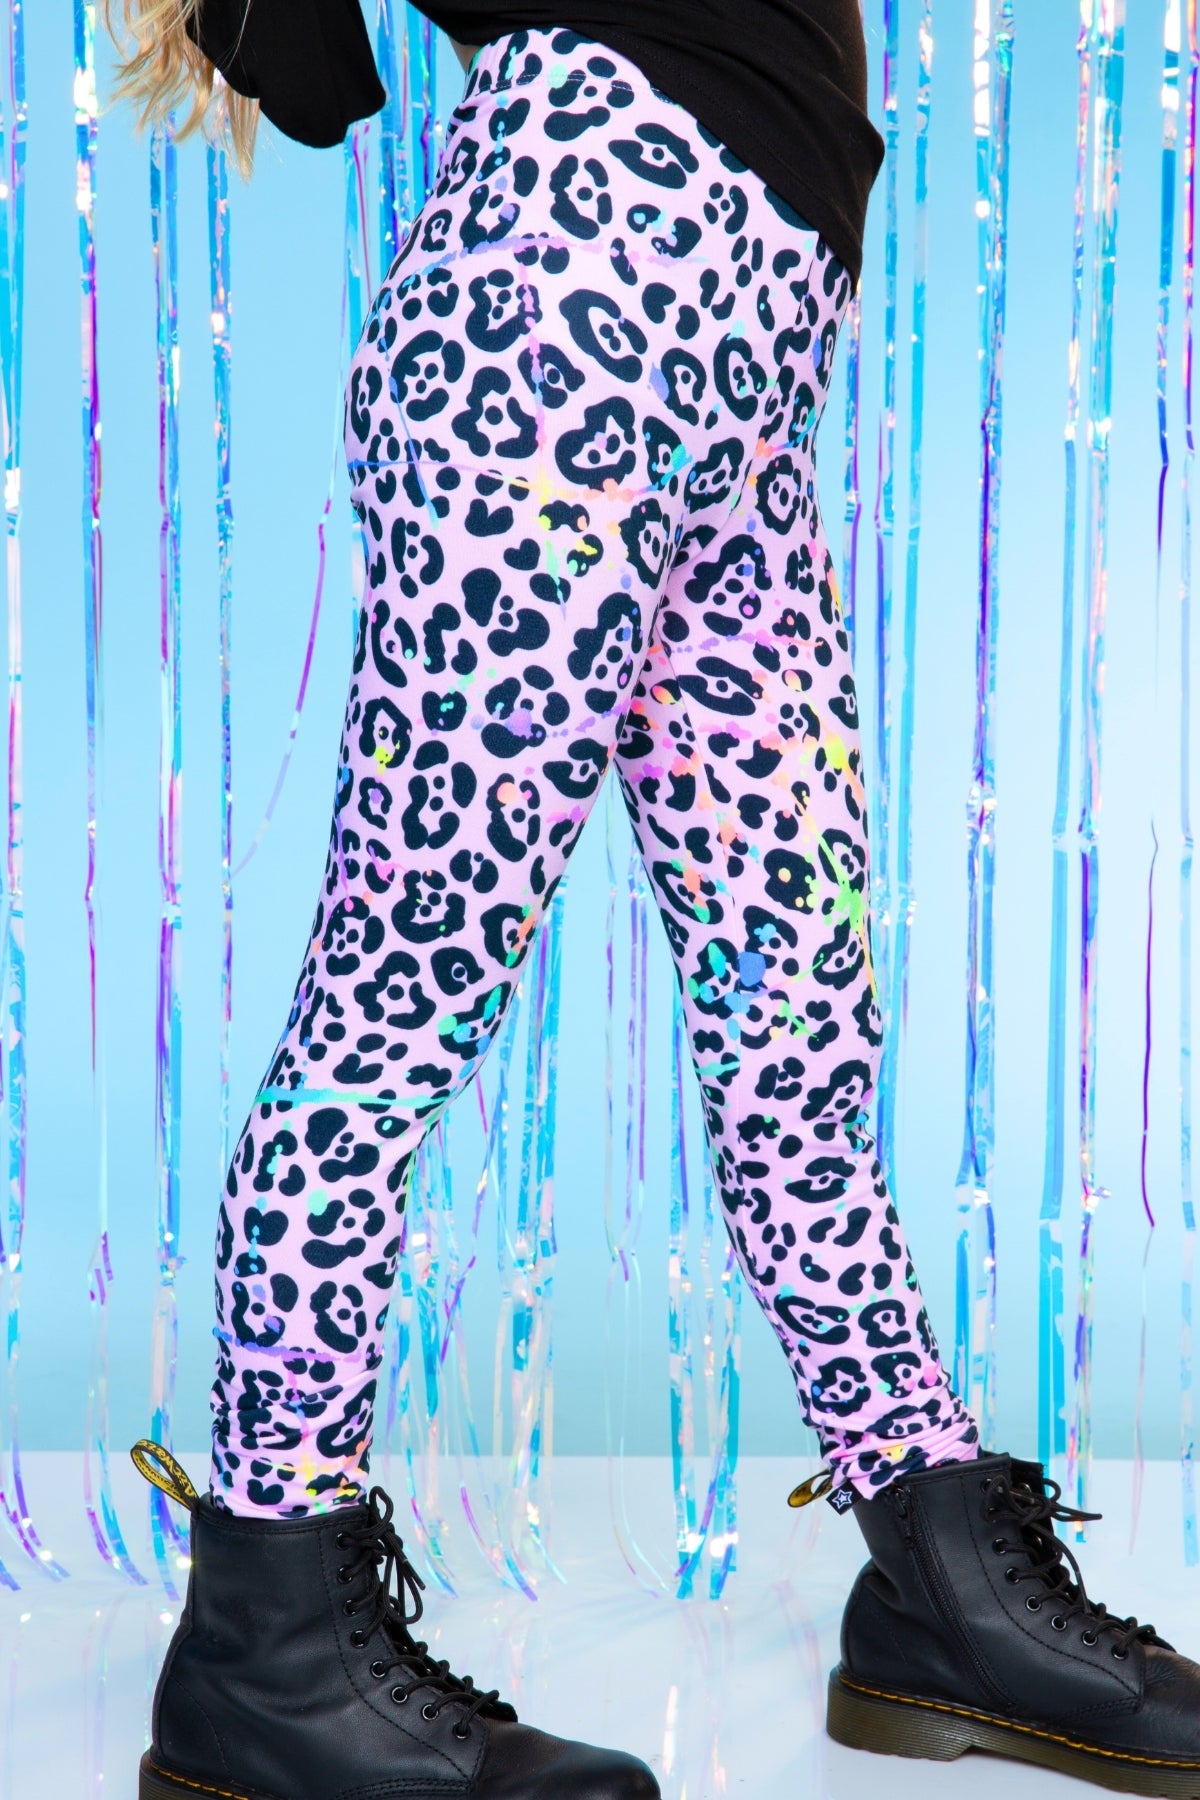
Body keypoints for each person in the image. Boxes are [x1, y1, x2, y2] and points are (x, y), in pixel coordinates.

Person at [107, 4, 1200, 1798]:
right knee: (397, 1002)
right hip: (559, 311)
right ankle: (265, 1643)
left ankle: (936, 1582)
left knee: (803, 1022)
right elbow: (302, 73)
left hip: (746, 367)